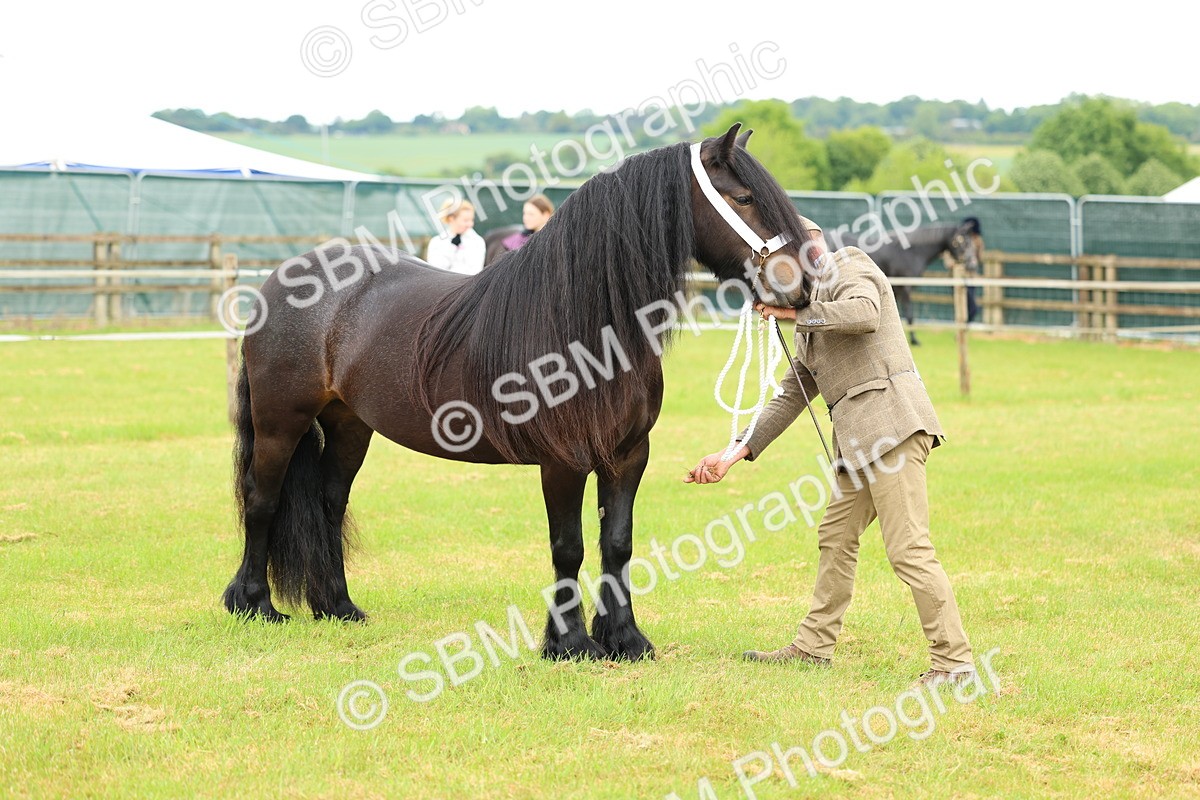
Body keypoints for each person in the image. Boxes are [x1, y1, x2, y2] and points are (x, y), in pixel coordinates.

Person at [685, 216, 976, 687]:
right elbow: (789, 397)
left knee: (909, 551)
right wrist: (733, 453)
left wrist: (794, 316)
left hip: (894, 428)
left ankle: (955, 664)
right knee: (835, 538)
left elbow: (865, 315)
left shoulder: (849, 266)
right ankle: (813, 647)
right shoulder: (807, 321)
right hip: (859, 445)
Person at [484, 194, 555, 264]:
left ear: (546, 215)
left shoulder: (553, 241)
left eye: (531, 214)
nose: (525, 218)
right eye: (524, 213)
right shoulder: (519, 239)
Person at [425, 199, 486, 275]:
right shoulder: (437, 242)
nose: (470, 224)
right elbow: (435, 271)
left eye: (471, 220)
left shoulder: (477, 242)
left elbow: (475, 271)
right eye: (466, 220)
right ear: (451, 218)